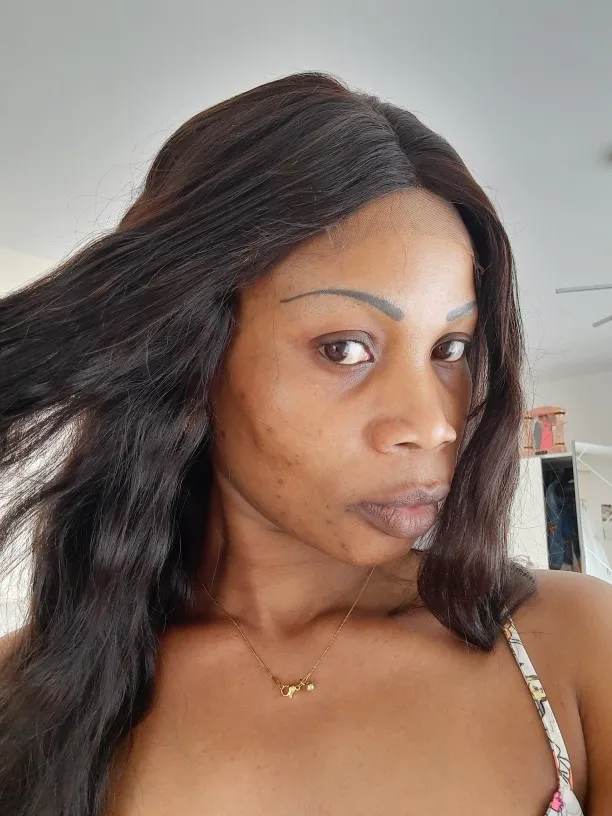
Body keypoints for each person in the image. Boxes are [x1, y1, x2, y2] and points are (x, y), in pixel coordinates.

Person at [0, 72, 610, 816]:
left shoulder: (575, 646)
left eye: (450, 348)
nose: (432, 424)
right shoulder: (26, 699)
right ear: (195, 352)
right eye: (345, 348)